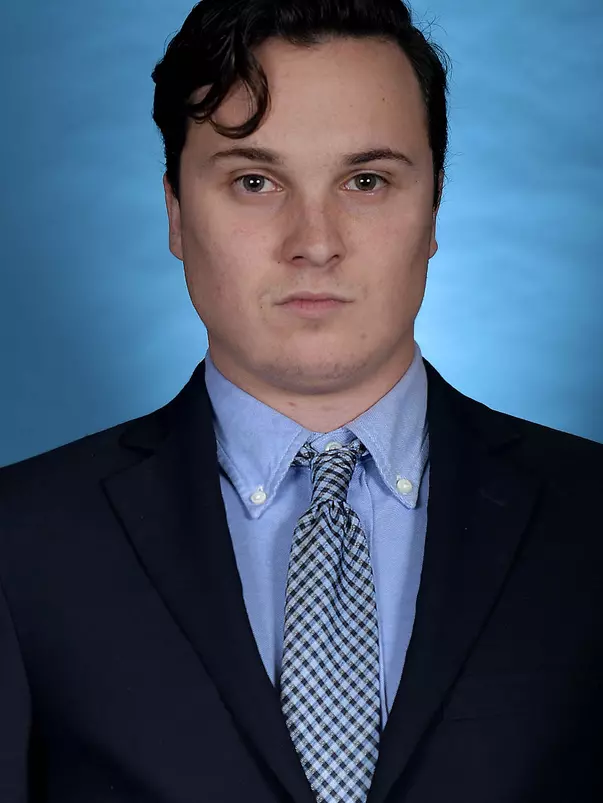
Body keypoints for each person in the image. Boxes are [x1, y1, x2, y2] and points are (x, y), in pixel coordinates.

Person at [1, 0, 601, 800]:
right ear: (176, 212)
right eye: (254, 181)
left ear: (432, 208)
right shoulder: (20, 540)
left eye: (365, 180)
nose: (314, 242)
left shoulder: (589, 518)